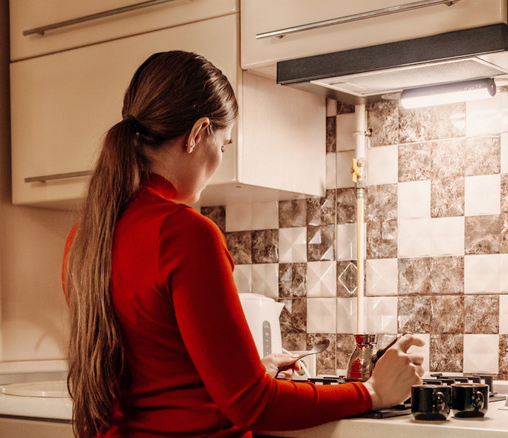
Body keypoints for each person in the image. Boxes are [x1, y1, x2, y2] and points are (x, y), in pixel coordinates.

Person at [62, 50, 425, 438]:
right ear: (199, 134)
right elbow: (254, 406)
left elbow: (163, 378)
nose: (220, 158)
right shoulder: (184, 234)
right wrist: (372, 391)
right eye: (223, 145)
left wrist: (255, 371)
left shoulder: (84, 239)